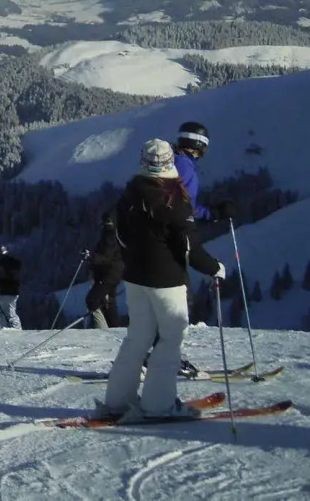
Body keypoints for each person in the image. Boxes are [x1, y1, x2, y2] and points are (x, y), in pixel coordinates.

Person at [100, 139, 225, 422]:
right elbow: (189, 244)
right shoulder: (172, 197)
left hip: (135, 277)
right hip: (167, 279)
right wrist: (214, 267)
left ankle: (117, 401)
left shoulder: (130, 193)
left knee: (137, 338)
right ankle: (158, 405)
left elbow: (119, 236)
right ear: (170, 164)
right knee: (170, 339)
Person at [172, 121, 236, 223]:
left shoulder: (173, 160)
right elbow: (185, 207)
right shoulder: (184, 166)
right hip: (173, 228)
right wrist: (213, 214)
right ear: (199, 143)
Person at [85, 210, 122, 329]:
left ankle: (101, 328)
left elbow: (106, 257)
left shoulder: (109, 236)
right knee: (108, 302)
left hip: (107, 275)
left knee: (93, 299)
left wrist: (91, 256)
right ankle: (114, 328)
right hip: (114, 274)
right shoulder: (116, 234)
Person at [0, 245, 22, 329]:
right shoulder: (11, 264)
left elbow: (3, 280)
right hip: (11, 292)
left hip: (8, 292)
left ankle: (12, 329)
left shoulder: (4, 266)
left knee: (6, 311)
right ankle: (6, 328)